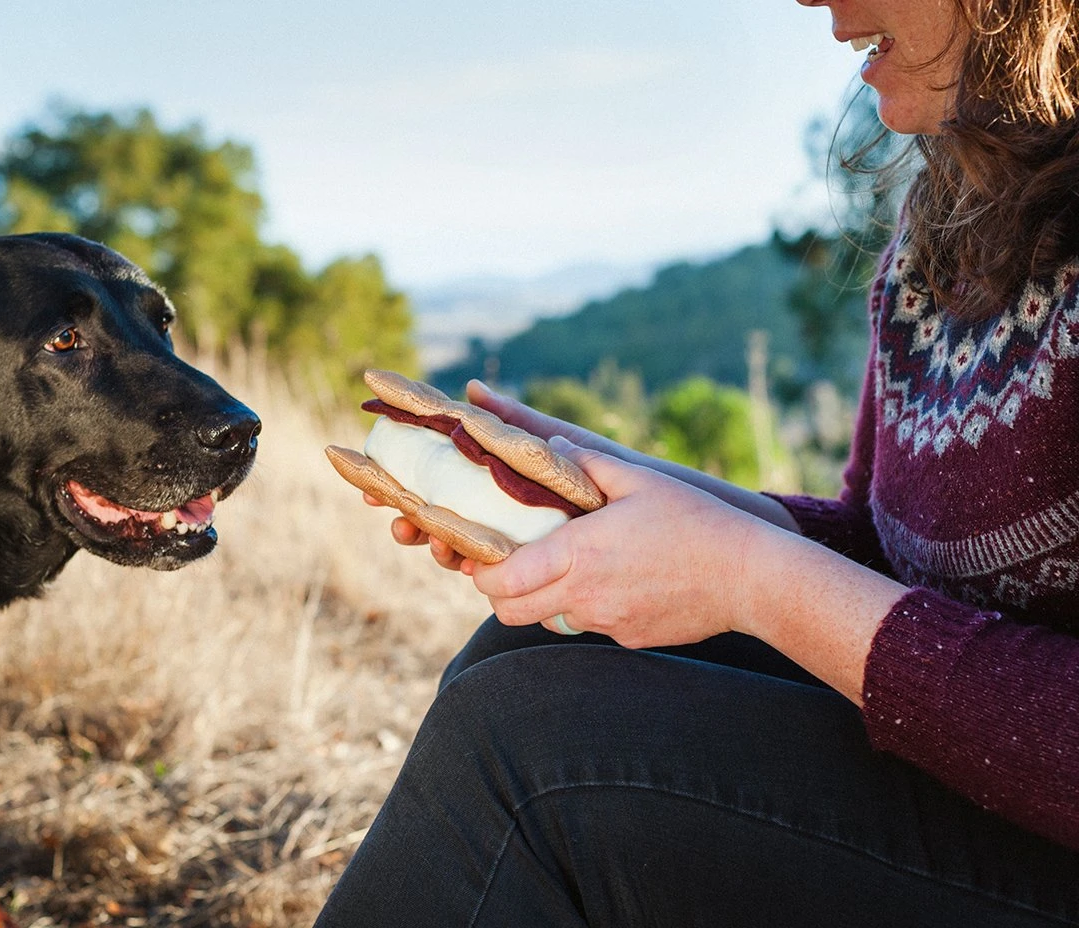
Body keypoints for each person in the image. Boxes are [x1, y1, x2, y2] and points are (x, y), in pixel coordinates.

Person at [313, 0, 1079, 925]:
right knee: (527, 651)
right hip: (966, 774)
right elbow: (885, 542)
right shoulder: (946, 222)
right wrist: (603, 482)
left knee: (530, 752)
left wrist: (746, 578)